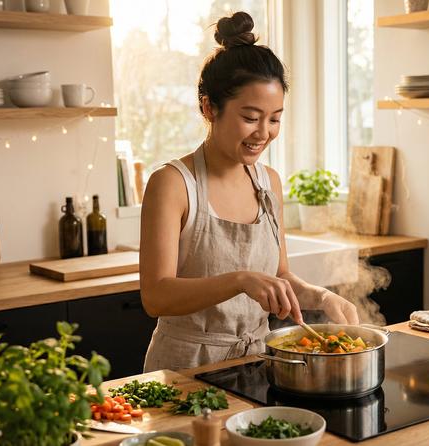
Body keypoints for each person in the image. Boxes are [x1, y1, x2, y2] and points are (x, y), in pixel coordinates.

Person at [139, 11, 359, 372]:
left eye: (274, 119)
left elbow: (280, 277)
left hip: (257, 361)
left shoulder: (268, 182)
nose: (264, 133)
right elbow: (156, 296)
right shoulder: (173, 183)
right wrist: (240, 280)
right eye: (251, 117)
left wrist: (321, 296)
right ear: (210, 107)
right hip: (186, 369)